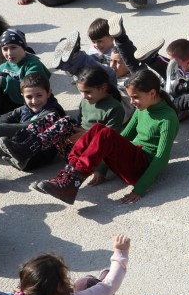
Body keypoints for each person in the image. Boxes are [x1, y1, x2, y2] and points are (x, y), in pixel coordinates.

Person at [33, 68, 177, 206]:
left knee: (106, 133)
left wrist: (140, 189)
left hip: (141, 169)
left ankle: (73, 181)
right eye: (130, 97)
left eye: (135, 97)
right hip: (132, 160)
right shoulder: (142, 109)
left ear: (152, 93)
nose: (132, 102)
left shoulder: (168, 118)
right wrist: (101, 169)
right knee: (98, 128)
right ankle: (68, 174)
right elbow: (124, 136)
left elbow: (161, 158)